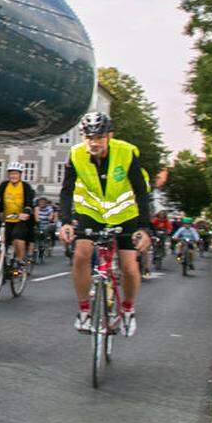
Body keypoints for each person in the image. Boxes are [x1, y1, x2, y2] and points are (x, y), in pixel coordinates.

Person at [58, 112, 152, 336]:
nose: (94, 142)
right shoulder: (76, 154)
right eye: (89, 137)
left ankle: (128, 309)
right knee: (81, 254)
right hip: (91, 211)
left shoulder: (126, 152)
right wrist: (65, 222)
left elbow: (141, 191)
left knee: (129, 265)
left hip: (124, 213)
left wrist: (145, 227)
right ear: (83, 137)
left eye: (99, 137)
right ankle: (84, 310)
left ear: (109, 136)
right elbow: (67, 191)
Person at [0, 163, 34, 266]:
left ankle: (20, 260)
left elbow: (29, 202)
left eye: (16, 173)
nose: (13, 176)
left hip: (19, 219)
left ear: (20, 175)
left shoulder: (25, 186)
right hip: (5, 218)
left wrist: (26, 212)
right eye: (11, 174)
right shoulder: (4, 185)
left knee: (17, 237)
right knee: (0, 240)